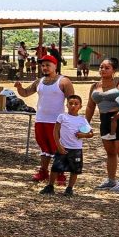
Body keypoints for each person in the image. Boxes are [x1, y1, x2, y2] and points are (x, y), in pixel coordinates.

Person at [15, 55, 74, 185]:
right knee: (44, 147)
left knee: (57, 147)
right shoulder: (39, 81)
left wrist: (71, 119)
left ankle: (60, 172)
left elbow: (72, 100)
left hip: (56, 121)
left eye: (48, 65)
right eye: (43, 65)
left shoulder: (64, 81)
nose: (45, 68)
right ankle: (43, 171)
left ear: (55, 66)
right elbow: (25, 93)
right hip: (41, 119)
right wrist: (19, 87)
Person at [84, 58, 119, 191]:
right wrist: (86, 124)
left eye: (107, 68)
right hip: (104, 120)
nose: (103, 70)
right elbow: (90, 107)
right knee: (110, 152)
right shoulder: (95, 86)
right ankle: (111, 180)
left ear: (114, 70)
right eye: (101, 67)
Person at [41, 95, 93, 196]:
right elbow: (55, 131)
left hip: (76, 149)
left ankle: (69, 188)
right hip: (63, 147)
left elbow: (91, 134)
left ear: (80, 106)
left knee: (75, 169)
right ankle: (50, 186)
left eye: (76, 104)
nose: (73, 106)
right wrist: (59, 146)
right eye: (71, 103)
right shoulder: (62, 117)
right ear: (67, 105)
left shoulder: (82, 119)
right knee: (56, 167)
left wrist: (83, 135)